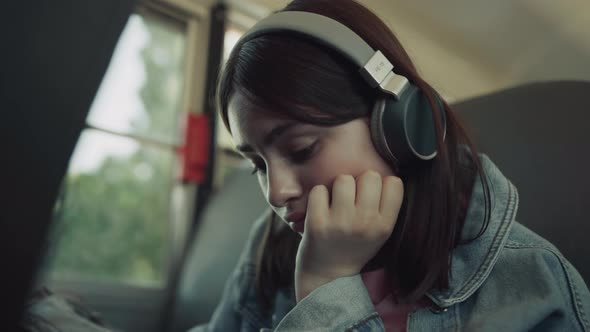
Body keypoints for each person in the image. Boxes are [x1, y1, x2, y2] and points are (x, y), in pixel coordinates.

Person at [190, 0, 590, 331]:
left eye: (302, 149)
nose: (277, 192)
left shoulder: (532, 283)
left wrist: (327, 288)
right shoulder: (273, 244)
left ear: (398, 126)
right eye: (258, 164)